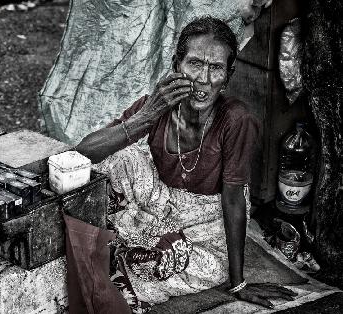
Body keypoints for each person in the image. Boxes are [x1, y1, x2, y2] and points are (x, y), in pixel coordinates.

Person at [75, 16, 297, 313]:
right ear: (176, 64)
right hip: (159, 198)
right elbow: (83, 154)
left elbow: (233, 200)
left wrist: (238, 282)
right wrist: (146, 117)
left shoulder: (236, 119)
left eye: (216, 67)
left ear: (228, 76)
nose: (203, 79)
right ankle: (129, 247)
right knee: (122, 159)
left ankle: (128, 252)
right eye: (195, 63)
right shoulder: (157, 104)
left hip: (206, 219)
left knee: (196, 265)